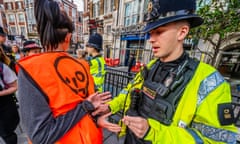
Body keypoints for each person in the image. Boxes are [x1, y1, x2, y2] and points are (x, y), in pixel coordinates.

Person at [96, 0, 238, 143]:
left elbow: (218, 140)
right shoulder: (151, 66)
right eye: (150, 33)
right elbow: (128, 91)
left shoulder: (209, 81)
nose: (151, 39)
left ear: (182, 32)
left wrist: (154, 133)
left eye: (159, 32)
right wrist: (109, 107)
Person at [17, 0, 111, 143]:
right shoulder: (83, 65)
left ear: (42, 37)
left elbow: (40, 136)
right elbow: (88, 105)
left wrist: (86, 108)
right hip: (92, 138)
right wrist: (88, 110)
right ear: (68, 38)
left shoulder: (31, 70)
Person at [0, 46, 19, 144]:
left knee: (7, 133)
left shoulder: (3, 68)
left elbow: (15, 87)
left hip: (4, 105)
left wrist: (1, 93)